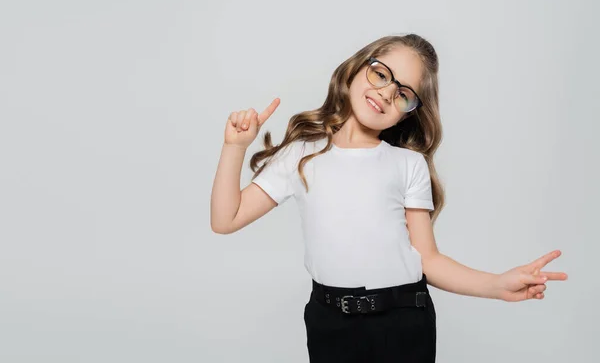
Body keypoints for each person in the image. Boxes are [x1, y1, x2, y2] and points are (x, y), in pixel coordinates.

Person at [210, 34, 568, 362]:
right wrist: (234, 147)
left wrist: (496, 285)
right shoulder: (301, 155)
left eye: (403, 93)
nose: (386, 92)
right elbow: (226, 219)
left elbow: (428, 259)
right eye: (381, 75)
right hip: (328, 322)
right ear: (355, 69)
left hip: (403, 323)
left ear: (408, 112)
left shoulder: (408, 165)